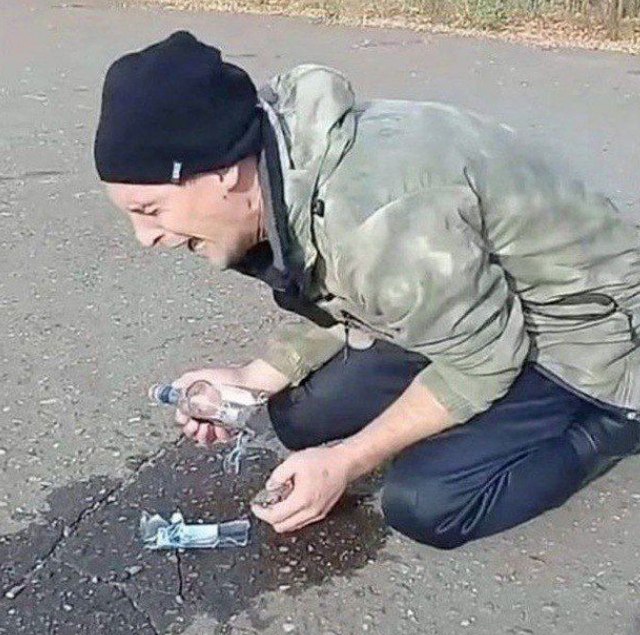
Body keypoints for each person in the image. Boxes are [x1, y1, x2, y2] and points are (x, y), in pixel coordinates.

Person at [94, 31, 640, 549]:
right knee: (299, 418)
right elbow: (359, 292)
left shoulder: (375, 216)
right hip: (472, 302)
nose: (145, 238)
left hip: (587, 331)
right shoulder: (287, 154)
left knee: (426, 502)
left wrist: (346, 462)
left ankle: (613, 425)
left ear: (223, 174)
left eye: (151, 210)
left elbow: (484, 360)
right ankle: (468, 421)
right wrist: (251, 378)